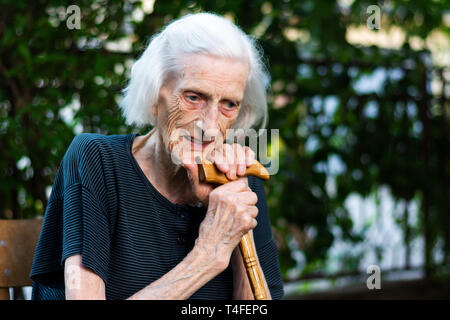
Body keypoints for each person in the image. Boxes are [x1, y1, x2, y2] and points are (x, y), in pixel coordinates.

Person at [30, 12, 284, 300]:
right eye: (193, 97)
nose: (210, 127)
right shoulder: (96, 161)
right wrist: (208, 255)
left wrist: (235, 225)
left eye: (228, 104)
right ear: (153, 96)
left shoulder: (237, 179)